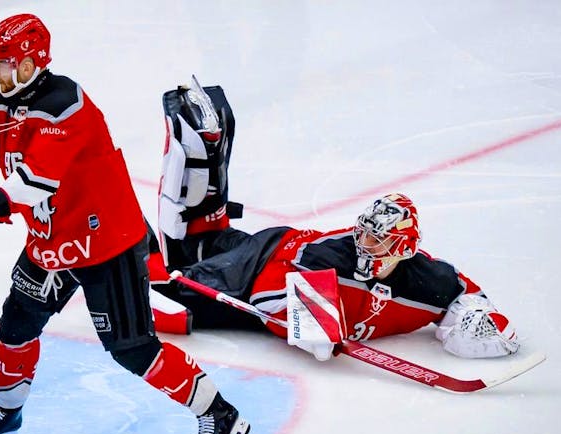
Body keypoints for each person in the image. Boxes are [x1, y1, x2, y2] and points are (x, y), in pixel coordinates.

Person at [0, 14, 249, 434]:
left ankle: (219, 413)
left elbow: (38, 179)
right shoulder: (3, 107)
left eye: (1, 63)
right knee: (17, 323)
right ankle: (7, 414)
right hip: (53, 243)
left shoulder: (66, 105)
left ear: (28, 64)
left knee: (132, 348)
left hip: (105, 243)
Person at [149, 82, 519, 361]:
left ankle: (204, 234)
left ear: (403, 249)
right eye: (365, 233)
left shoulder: (430, 279)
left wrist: (482, 324)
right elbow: (266, 286)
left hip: (265, 253)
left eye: (377, 240)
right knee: (166, 292)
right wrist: (307, 318)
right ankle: (132, 247)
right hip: (263, 262)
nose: (364, 243)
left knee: (203, 246)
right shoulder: (331, 255)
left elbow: (468, 297)